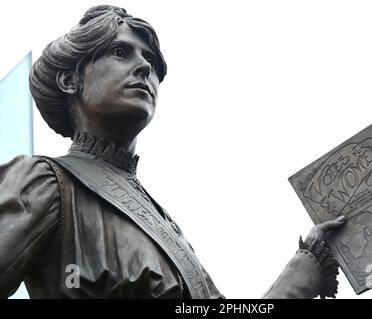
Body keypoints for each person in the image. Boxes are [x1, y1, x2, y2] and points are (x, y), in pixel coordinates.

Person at [0, 5, 345, 299]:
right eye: (120, 52)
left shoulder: (166, 226)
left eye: (149, 59)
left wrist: (308, 262)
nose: (145, 67)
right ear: (70, 81)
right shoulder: (45, 181)